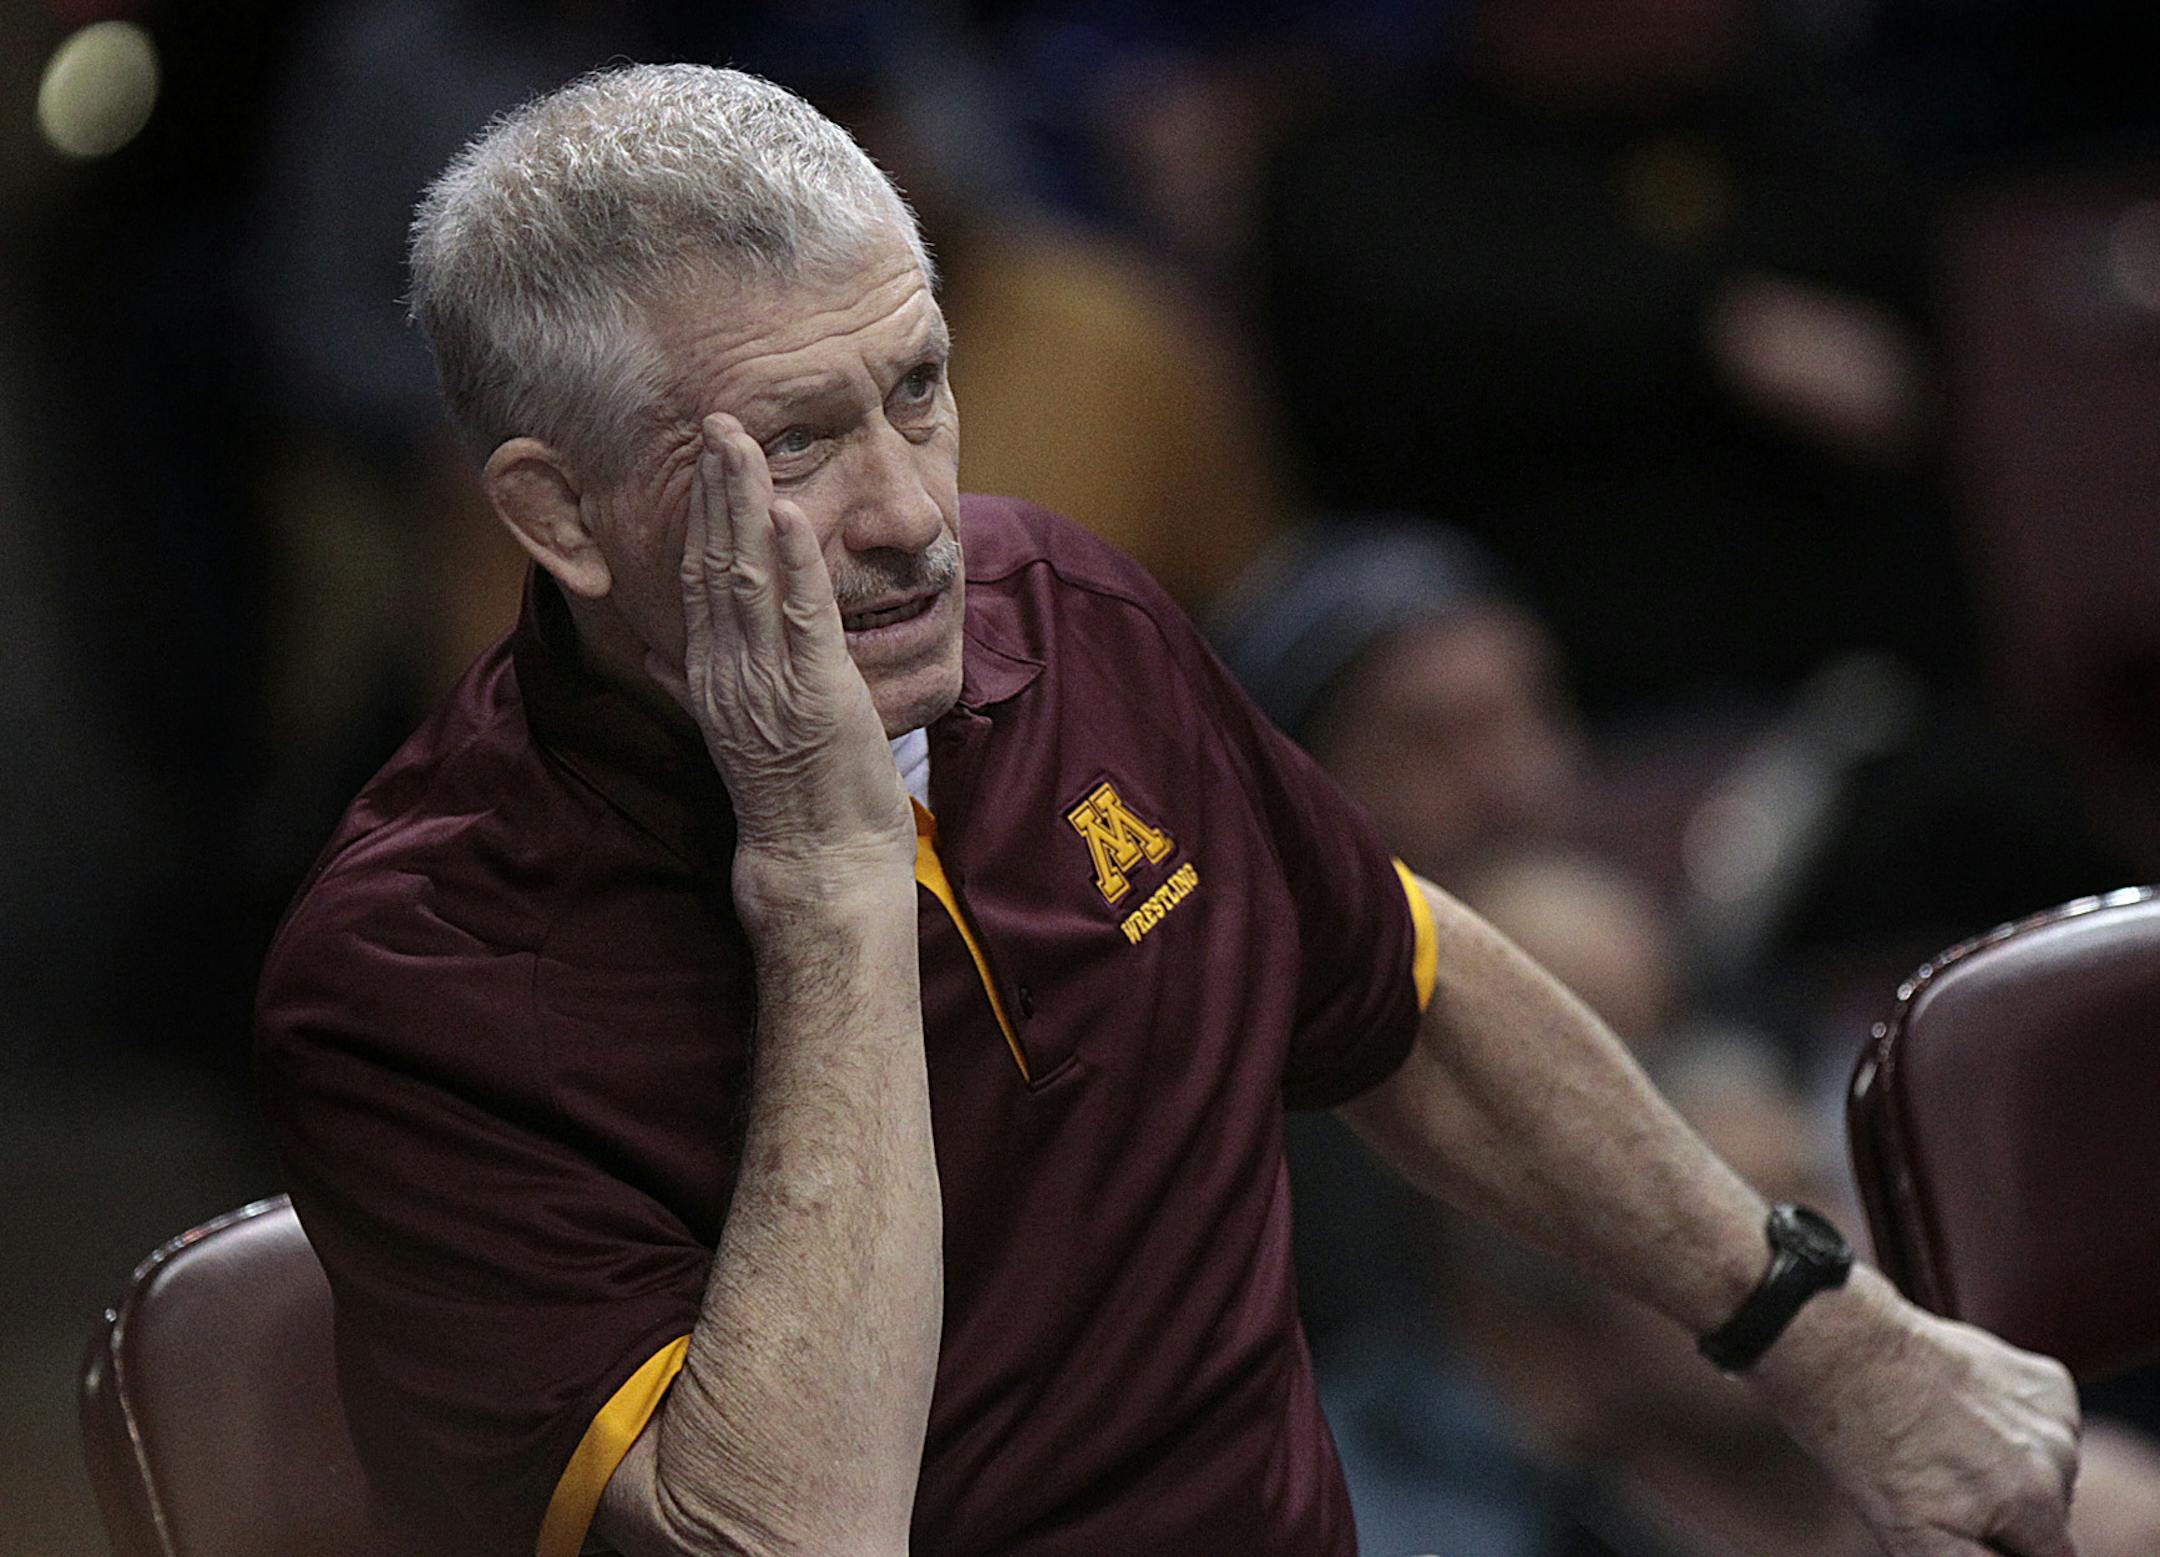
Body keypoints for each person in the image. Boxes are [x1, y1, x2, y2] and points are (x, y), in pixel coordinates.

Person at [255, 64, 2081, 1557]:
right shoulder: (417, 978)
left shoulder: (1068, 618)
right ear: (559, 517)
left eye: (918, 392)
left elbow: (1413, 991)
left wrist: (1842, 1349)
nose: (908, 515)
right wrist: (826, 882)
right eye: (793, 445)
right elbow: (785, 1540)